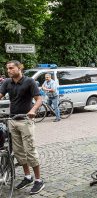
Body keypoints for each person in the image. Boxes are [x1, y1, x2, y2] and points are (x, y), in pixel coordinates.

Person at [0, 60, 45, 194]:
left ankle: (38, 180)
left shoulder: (29, 81)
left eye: (12, 68)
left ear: (19, 68)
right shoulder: (7, 82)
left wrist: (33, 110)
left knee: (30, 150)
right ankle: (27, 177)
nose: (9, 70)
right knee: (19, 152)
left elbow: (39, 99)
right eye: (8, 68)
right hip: (12, 120)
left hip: (25, 120)